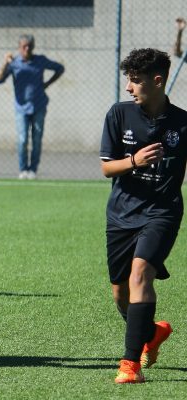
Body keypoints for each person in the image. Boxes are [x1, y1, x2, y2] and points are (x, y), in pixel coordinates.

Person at [99, 48, 187, 384]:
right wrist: (135, 161)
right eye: (129, 80)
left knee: (140, 276)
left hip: (162, 213)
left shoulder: (183, 122)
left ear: (158, 80)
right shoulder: (118, 114)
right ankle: (152, 331)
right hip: (122, 213)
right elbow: (107, 168)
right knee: (121, 293)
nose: (129, 87)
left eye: (135, 81)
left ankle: (130, 365)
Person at [0, 34, 64, 180]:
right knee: (22, 139)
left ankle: (33, 170)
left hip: (39, 105)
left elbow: (60, 68)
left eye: (29, 46)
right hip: (21, 108)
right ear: (19, 48)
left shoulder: (40, 60)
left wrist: (47, 83)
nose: (27, 49)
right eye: (24, 46)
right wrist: (5, 63)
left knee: (37, 139)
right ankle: (23, 169)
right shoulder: (14, 63)